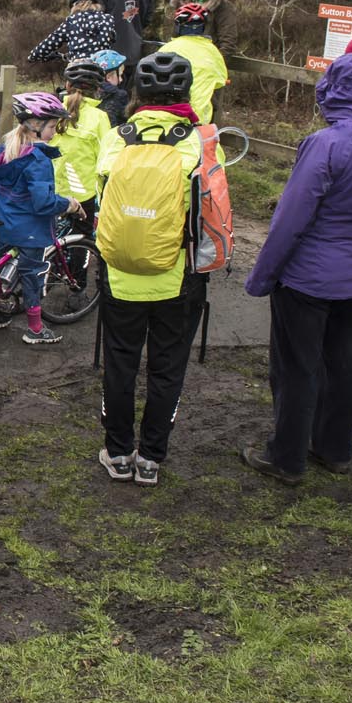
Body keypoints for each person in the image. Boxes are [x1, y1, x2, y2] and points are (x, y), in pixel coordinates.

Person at [241, 52, 352, 485]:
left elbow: (291, 219)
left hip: (308, 277)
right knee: (343, 360)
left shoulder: (325, 144)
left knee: (296, 367)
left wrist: (263, 276)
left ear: (332, 90)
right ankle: (335, 450)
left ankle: (286, 458)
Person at [92, 52, 205, 488]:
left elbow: (102, 200)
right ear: (186, 92)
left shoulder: (115, 138)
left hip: (120, 273)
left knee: (120, 364)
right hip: (177, 276)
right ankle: (151, 458)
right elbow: (209, 215)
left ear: (138, 93)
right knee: (167, 368)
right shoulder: (199, 141)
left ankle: (119, 453)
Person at [0, 93, 82, 345]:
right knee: (31, 276)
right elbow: (43, 203)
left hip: (6, 223)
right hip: (30, 229)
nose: (53, 132)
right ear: (35, 127)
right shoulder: (38, 160)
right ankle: (35, 329)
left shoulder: (7, 150)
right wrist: (69, 204)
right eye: (51, 127)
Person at [52, 62, 115, 220]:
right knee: (82, 234)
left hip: (52, 191)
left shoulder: (54, 111)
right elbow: (105, 158)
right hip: (84, 194)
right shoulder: (99, 117)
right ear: (97, 89)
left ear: (67, 85)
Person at [28, 0, 117, 65]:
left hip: (77, 68)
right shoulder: (107, 19)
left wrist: (33, 56)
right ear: (96, 4)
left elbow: (50, 42)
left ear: (74, 5)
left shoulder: (71, 21)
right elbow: (112, 39)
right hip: (101, 67)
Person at [155, 33, 232, 126]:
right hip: (199, 116)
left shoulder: (167, 47)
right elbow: (221, 79)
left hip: (164, 113)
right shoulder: (211, 50)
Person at [89, 49, 131, 125]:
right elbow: (128, 119)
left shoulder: (89, 93)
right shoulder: (120, 95)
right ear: (108, 77)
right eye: (120, 75)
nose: (121, 80)